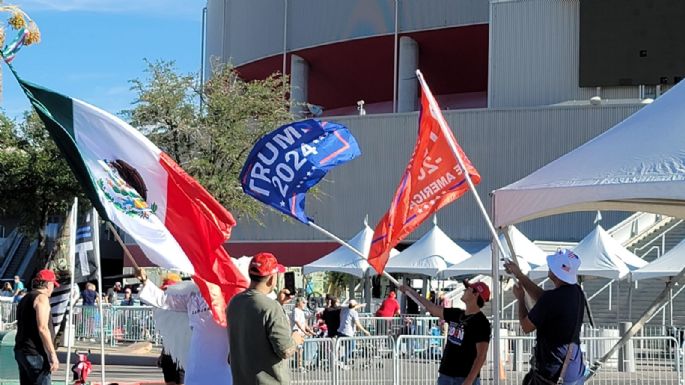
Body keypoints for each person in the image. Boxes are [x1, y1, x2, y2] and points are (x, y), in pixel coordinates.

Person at [136, 268, 233, 385]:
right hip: (197, 358)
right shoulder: (193, 296)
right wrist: (145, 280)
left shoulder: (230, 295)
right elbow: (164, 300)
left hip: (221, 359)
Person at [505, 249, 586, 385]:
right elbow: (543, 298)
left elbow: (526, 326)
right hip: (574, 370)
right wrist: (519, 275)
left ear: (557, 272)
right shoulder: (577, 292)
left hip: (553, 373)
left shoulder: (552, 299)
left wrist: (520, 298)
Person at [227, 252, 304, 385]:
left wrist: (278, 303)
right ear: (271, 279)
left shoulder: (234, 303)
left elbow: (255, 326)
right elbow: (285, 350)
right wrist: (296, 340)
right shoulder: (271, 307)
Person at [399, 280, 491, 385]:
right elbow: (431, 307)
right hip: (446, 375)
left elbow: (481, 355)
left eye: (468, 288)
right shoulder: (456, 313)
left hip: (464, 377)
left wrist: (469, 381)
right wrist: (410, 291)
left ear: (476, 294)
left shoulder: (481, 322)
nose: (465, 290)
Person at [14, 269, 60, 385]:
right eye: (53, 285)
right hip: (35, 352)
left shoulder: (25, 298)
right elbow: (43, 328)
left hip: (22, 350)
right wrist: (52, 354)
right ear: (48, 284)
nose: (53, 289)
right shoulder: (41, 298)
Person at [291, 297, 315, 372]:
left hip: (301, 333)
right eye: (304, 303)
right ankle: (299, 366)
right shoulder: (296, 310)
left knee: (300, 350)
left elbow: (304, 323)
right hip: (296, 332)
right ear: (299, 303)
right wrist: (304, 331)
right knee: (298, 349)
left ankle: (299, 365)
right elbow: (297, 322)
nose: (305, 304)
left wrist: (310, 331)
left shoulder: (301, 311)